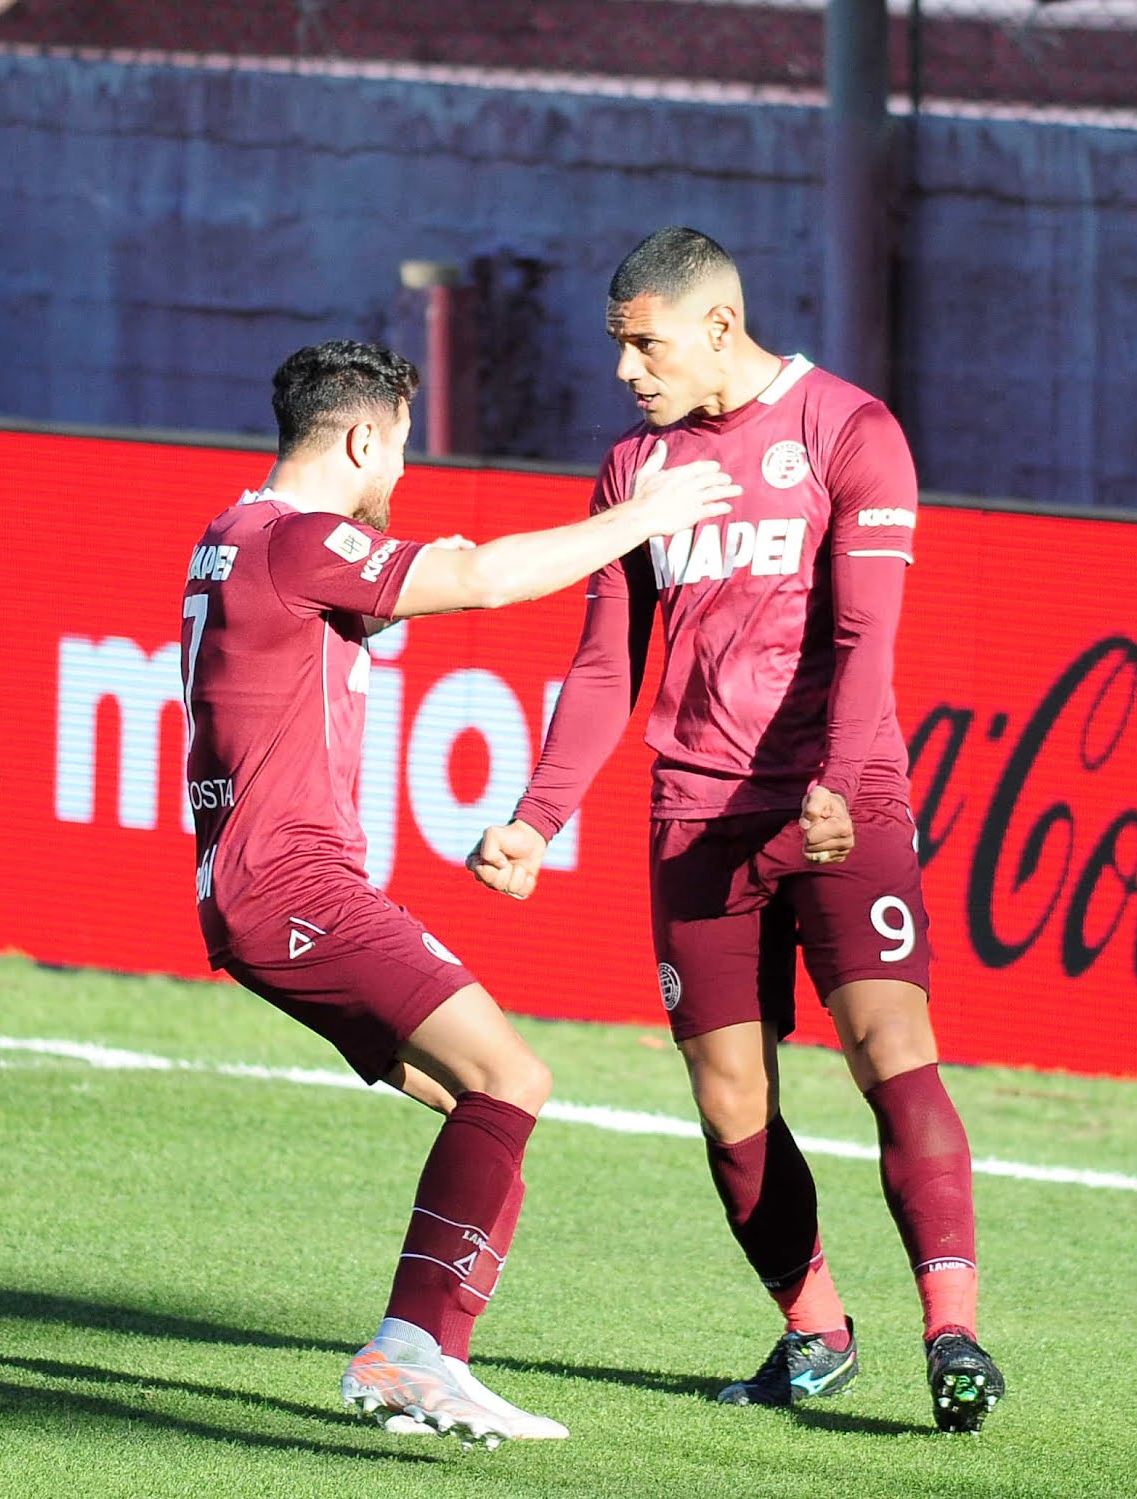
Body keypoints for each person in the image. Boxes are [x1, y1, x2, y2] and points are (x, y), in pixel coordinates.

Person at [467, 228, 1005, 1433]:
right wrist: (535, 815)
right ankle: (814, 1329)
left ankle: (952, 1326)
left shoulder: (847, 430)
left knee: (887, 1046)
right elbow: (604, 665)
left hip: (836, 800)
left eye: (640, 344)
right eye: (617, 347)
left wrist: (839, 777)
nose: (624, 371)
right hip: (694, 814)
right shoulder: (633, 471)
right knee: (727, 1095)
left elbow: (870, 636)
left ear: (716, 325)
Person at [181, 338, 738, 1444]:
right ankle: (409, 1352)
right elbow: (479, 575)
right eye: (398, 450)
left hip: (253, 891)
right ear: (359, 438)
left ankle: (425, 1347)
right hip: (294, 882)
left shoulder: (230, 536)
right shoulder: (299, 541)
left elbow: (412, 598)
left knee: (482, 1104)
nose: (401, 476)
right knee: (511, 1073)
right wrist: (644, 516)